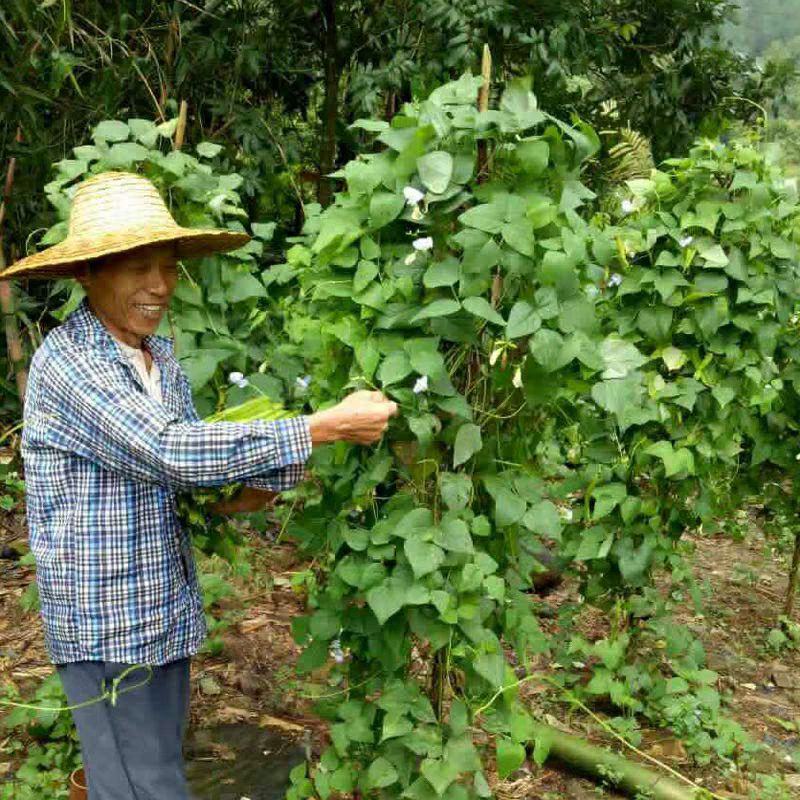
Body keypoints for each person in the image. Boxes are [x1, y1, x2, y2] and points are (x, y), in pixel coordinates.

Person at [0, 171, 398, 799]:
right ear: (87, 274)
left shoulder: (158, 359)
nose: (159, 285)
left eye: (168, 267)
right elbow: (170, 452)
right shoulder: (72, 362)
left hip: (161, 610)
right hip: (107, 623)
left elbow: (190, 485)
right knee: (138, 787)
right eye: (138, 268)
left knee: (154, 769)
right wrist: (320, 428)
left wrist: (261, 484)